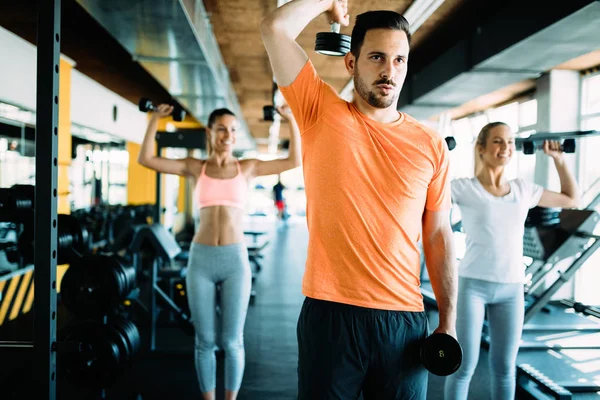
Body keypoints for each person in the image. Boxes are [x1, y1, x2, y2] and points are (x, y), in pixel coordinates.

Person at [261, 2, 457, 399]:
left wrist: (448, 321)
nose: (389, 71)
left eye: (399, 59)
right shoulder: (319, 111)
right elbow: (274, 29)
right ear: (351, 63)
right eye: (377, 57)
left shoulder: (431, 145)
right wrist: (326, 1)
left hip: (403, 318)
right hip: (331, 314)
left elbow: (438, 234)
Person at [137, 104, 301, 400]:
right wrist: (154, 120)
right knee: (205, 341)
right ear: (209, 132)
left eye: (234, 130)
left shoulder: (247, 167)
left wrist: (290, 120)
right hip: (201, 260)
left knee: (232, 341)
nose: (229, 135)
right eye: (222, 128)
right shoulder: (194, 167)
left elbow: (294, 160)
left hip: (235, 261)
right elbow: (146, 158)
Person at [444, 122, 580, 400]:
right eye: (497, 141)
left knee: (505, 368)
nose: (504, 147)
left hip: (512, 289)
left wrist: (559, 160)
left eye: (508, 142)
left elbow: (572, 198)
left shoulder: (523, 189)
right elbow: (421, 193)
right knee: (463, 366)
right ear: (481, 148)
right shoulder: (463, 188)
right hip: (473, 287)